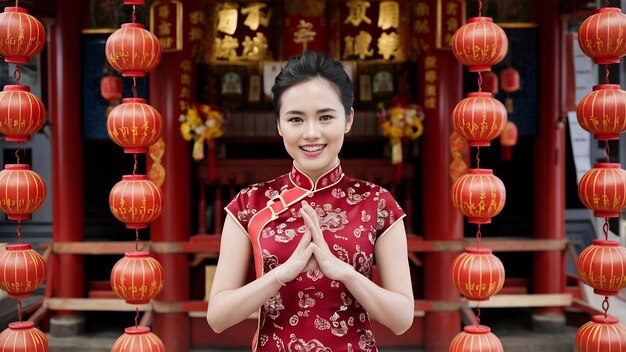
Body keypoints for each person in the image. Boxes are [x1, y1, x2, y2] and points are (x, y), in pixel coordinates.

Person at [207, 51, 413, 351]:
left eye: (326, 117)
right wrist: (280, 275)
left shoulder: (378, 203)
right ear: (279, 125)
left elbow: (402, 318)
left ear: (349, 119)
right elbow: (217, 317)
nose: (311, 133)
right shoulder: (249, 204)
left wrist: (345, 274)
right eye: (296, 119)